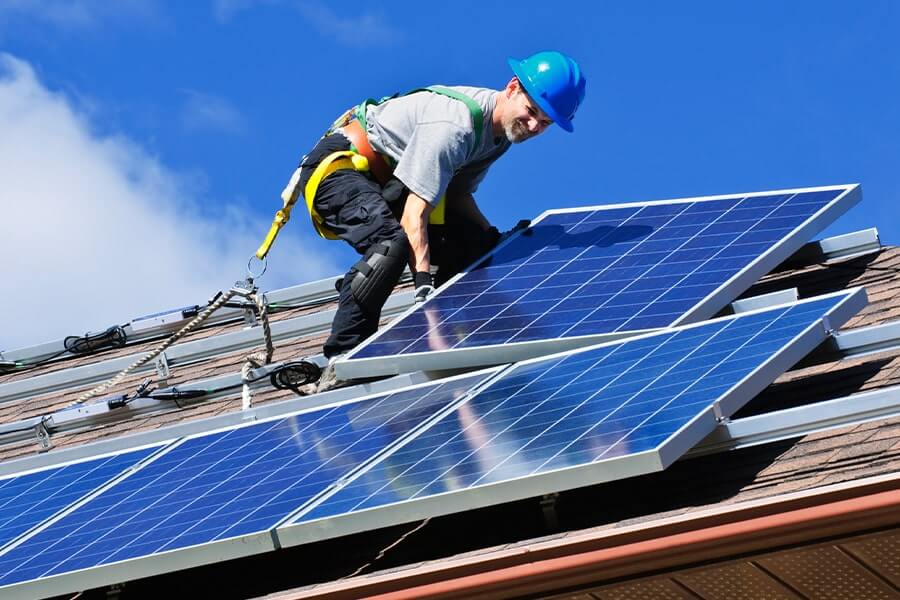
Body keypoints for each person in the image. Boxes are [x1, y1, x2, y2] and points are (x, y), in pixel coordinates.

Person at [282, 51, 586, 393]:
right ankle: (344, 358)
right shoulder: (455, 126)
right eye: (531, 113)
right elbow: (415, 217)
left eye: (544, 124)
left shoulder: (498, 139)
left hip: (390, 184)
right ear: (513, 87)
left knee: (475, 247)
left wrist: (492, 239)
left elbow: (456, 198)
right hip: (341, 170)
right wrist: (424, 288)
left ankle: (458, 336)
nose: (533, 127)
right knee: (391, 246)